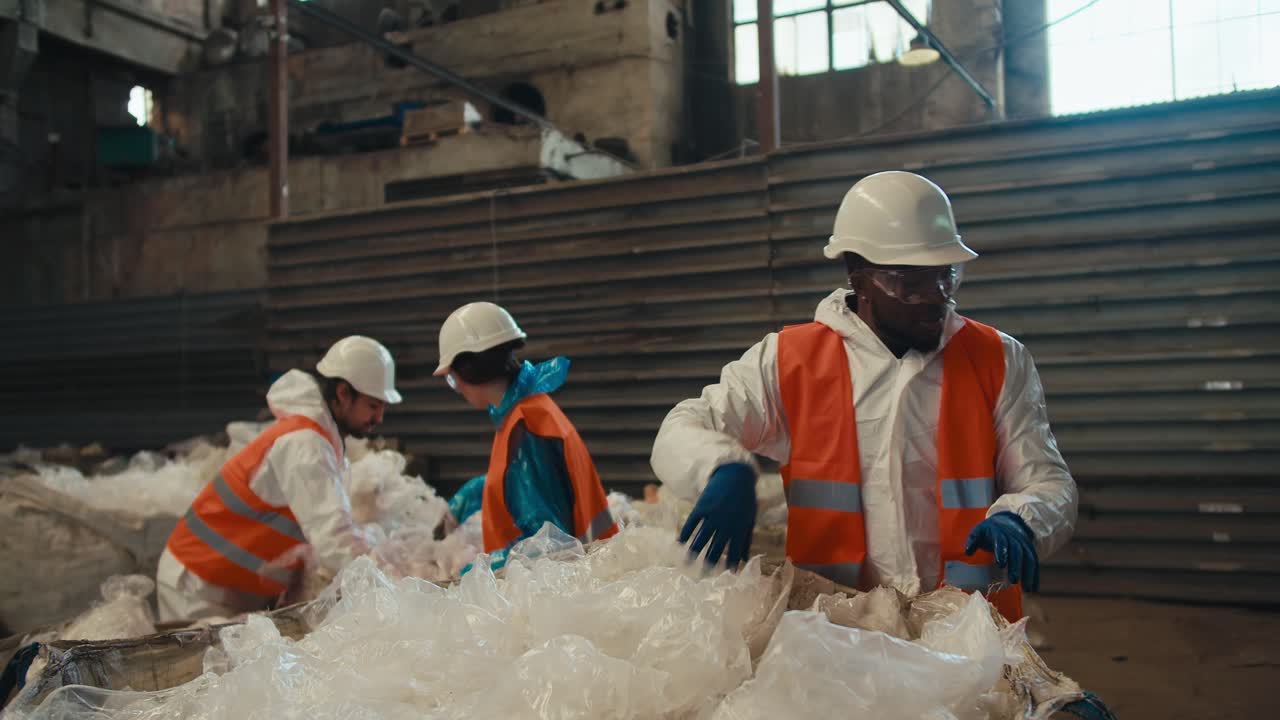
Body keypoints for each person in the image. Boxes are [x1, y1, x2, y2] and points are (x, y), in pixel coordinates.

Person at [650, 171, 1078, 621]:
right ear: (860, 278)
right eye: (910, 284)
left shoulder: (998, 359)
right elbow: (683, 425)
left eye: (945, 278)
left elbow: (1049, 482)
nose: (935, 300)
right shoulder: (790, 359)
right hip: (837, 629)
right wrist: (724, 469)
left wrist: (1024, 518)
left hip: (967, 631)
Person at [157, 336, 402, 621]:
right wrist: (393, 590)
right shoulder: (305, 444)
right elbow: (334, 539)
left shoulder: (319, 439)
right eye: (374, 406)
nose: (380, 418)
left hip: (222, 582)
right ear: (344, 394)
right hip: (198, 584)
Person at [436, 302, 616, 570]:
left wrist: (476, 572)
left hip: (565, 588)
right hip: (582, 575)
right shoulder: (527, 410)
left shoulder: (526, 428)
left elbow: (549, 547)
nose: (458, 387)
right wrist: (472, 494)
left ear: (469, 368)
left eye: (452, 378)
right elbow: (520, 481)